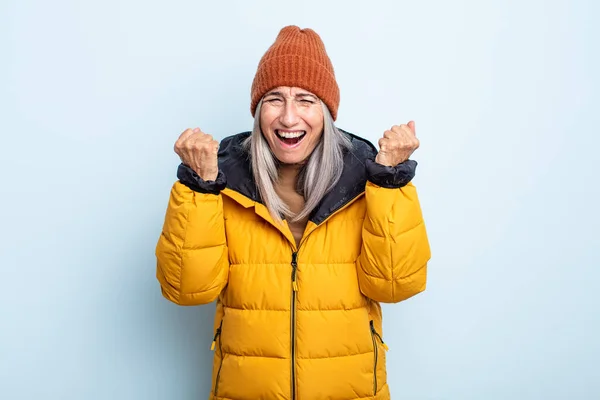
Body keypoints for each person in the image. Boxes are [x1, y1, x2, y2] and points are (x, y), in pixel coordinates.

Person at [156, 25, 431, 400]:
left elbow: (395, 285)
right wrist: (199, 187)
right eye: (274, 99)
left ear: (326, 112)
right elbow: (187, 290)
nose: (288, 118)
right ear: (257, 111)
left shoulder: (368, 179)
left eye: (305, 100)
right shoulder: (221, 181)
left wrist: (390, 182)